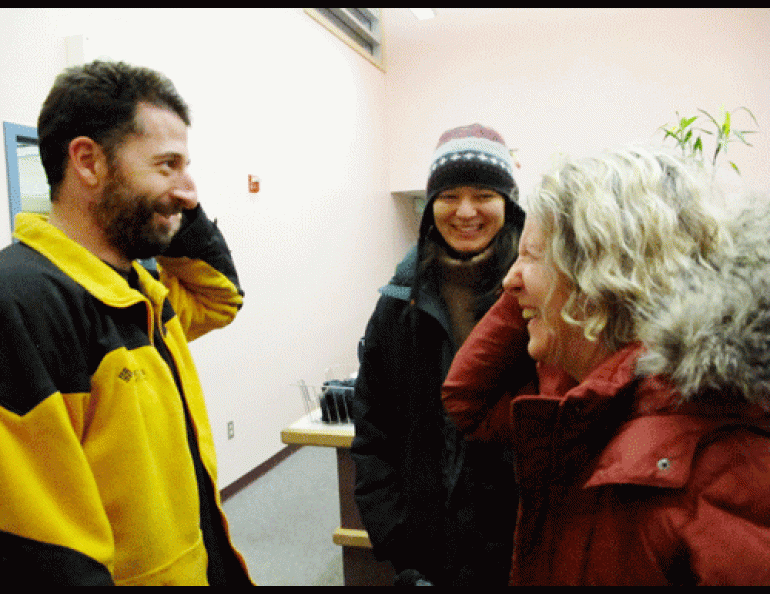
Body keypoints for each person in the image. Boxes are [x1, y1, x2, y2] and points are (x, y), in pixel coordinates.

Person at [442, 147, 770, 585]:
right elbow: (464, 397)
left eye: (532, 256)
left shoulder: (710, 459)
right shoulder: (582, 397)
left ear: (598, 270)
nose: (509, 279)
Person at [0, 60, 253, 586]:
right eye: (167, 165)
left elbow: (221, 299)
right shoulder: (20, 305)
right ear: (88, 162)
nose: (189, 193)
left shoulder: (139, 290)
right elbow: (45, 556)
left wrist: (169, 199)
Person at [350, 124, 532, 586]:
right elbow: (373, 431)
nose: (465, 211)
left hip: (520, 548)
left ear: (508, 204)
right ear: (430, 205)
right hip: (428, 550)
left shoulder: (536, 297)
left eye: (484, 194)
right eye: (449, 195)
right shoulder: (397, 303)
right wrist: (395, 539)